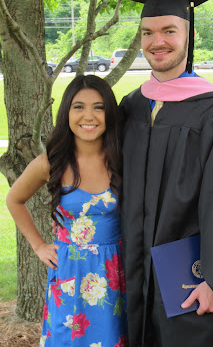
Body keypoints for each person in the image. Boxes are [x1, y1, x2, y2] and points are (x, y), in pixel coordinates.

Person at [119, 0, 213, 346]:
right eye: (147, 32)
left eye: (169, 30)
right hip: (133, 271)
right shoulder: (130, 106)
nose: (157, 42)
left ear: (188, 34)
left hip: (189, 277)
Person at [6, 75, 128, 347]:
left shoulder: (122, 157)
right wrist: (38, 246)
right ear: (66, 113)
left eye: (98, 107)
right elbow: (14, 200)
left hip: (116, 270)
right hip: (70, 273)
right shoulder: (51, 161)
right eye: (78, 107)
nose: (89, 116)